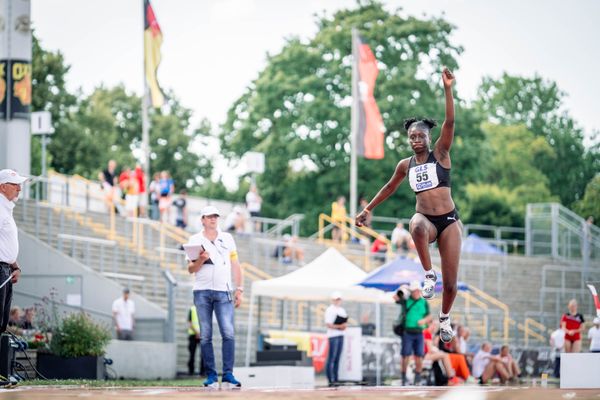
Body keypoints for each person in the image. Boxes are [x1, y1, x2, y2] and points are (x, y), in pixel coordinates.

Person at [356, 68, 459, 343]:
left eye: (420, 136)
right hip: (426, 220)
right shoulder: (406, 165)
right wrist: (368, 209)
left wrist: (448, 89)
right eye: (411, 137)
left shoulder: (441, 154)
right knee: (415, 222)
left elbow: (449, 121)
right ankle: (427, 273)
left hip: (448, 221)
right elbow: (390, 187)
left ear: (428, 137)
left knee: (450, 285)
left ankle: (445, 318)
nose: (415, 140)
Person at [187, 206, 244, 388]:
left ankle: (228, 375)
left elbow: (236, 264)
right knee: (205, 335)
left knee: (228, 332)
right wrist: (202, 259)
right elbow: (190, 269)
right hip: (201, 290)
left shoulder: (227, 238)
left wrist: (240, 289)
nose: (213, 219)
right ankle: (211, 376)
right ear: (202, 219)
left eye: (215, 216)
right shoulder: (195, 239)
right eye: (209, 216)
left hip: (223, 291)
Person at [0, 169, 26, 340]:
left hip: (5, 270)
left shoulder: (6, 209)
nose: (19, 189)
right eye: (15, 184)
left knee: (2, 322)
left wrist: (14, 265)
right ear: (2, 186)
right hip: (0, 269)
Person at [394, 281, 432, 385]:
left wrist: (424, 321)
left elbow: (429, 316)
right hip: (407, 332)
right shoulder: (406, 300)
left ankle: (417, 377)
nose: (415, 293)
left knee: (419, 356)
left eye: (417, 291)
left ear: (419, 291)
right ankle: (403, 377)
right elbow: (395, 298)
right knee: (405, 355)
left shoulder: (424, 302)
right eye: (413, 291)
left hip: (419, 332)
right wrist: (402, 288)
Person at [324, 291, 348, 387]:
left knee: (337, 358)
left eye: (339, 299)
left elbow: (344, 323)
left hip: (340, 335)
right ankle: (331, 379)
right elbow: (328, 324)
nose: (337, 301)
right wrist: (339, 326)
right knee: (332, 358)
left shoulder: (342, 310)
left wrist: (342, 326)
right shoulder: (330, 310)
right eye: (336, 299)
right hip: (333, 336)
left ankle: (336, 378)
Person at [187, 304, 206, 376]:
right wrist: (197, 333)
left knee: (203, 355)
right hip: (193, 335)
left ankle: (202, 372)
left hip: (202, 335)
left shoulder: (205, 308)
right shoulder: (192, 309)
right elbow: (190, 323)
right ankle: (191, 372)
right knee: (192, 355)